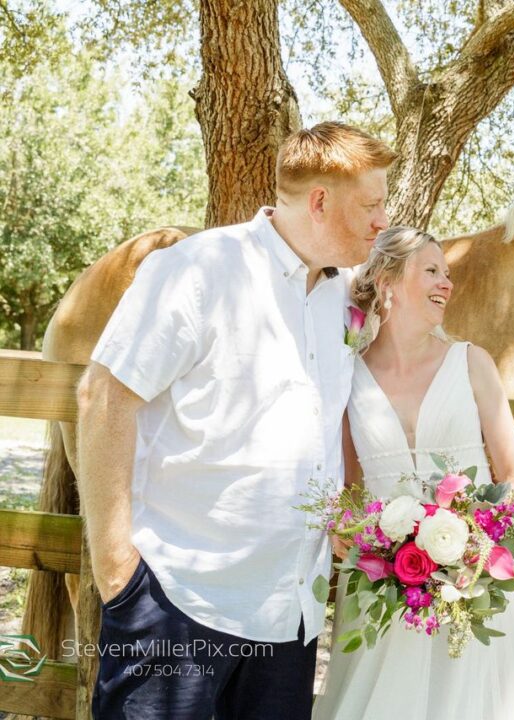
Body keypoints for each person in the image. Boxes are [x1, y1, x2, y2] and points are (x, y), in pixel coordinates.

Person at [76, 121, 396, 719]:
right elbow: (104, 397)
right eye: (372, 205)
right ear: (320, 202)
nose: (384, 220)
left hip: (289, 613)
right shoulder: (197, 270)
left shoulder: (342, 295)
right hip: (178, 602)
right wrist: (118, 569)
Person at [313, 226, 514, 720]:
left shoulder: (471, 363)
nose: (447, 284)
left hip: (480, 582)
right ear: (387, 282)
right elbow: (351, 490)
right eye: (432, 272)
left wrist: (477, 542)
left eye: (448, 273)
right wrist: (355, 530)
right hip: (386, 596)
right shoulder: (347, 376)